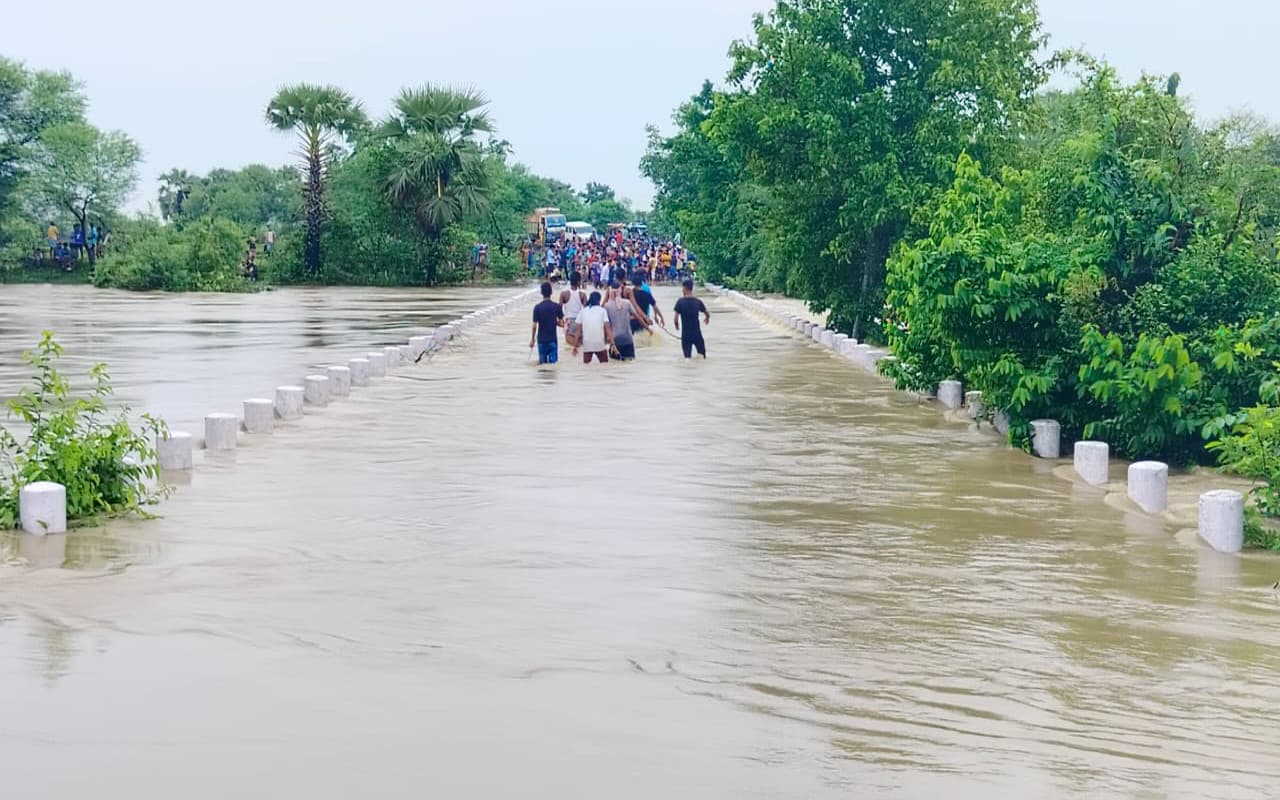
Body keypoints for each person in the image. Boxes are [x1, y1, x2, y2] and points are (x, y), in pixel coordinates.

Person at [604, 282, 650, 361]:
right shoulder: (627, 303)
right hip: (628, 339)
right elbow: (638, 317)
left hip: (615, 341)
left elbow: (606, 326)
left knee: (615, 367)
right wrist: (648, 329)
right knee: (629, 364)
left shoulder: (607, 306)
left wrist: (605, 340)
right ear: (620, 291)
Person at [673, 278, 710, 359]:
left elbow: (675, 319)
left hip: (686, 335)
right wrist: (707, 318)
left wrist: (677, 326)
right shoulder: (698, 301)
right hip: (697, 334)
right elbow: (707, 313)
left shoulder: (680, 302)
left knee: (687, 358)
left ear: (685, 288)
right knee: (702, 356)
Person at [530, 281, 564, 364]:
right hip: (552, 340)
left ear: (541, 293)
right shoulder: (556, 307)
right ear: (551, 292)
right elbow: (563, 324)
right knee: (553, 365)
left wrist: (532, 339)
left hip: (541, 340)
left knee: (542, 365)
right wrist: (555, 322)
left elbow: (534, 326)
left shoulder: (537, 307)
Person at [576, 291, 613, 364]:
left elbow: (578, 330)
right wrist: (613, 343)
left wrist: (575, 345)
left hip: (587, 344)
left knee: (586, 367)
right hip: (599, 343)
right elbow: (607, 328)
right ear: (599, 300)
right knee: (605, 366)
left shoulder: (582, 311)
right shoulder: (602, 311)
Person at [560, 271, 588, 349]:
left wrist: (562, 322)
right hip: (580, 322)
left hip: (569, 322)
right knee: (580, 346)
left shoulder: (563, 294)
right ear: (579, 281)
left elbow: (559, 310)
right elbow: (586, 311)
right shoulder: (583, 295)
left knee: (571, 347)